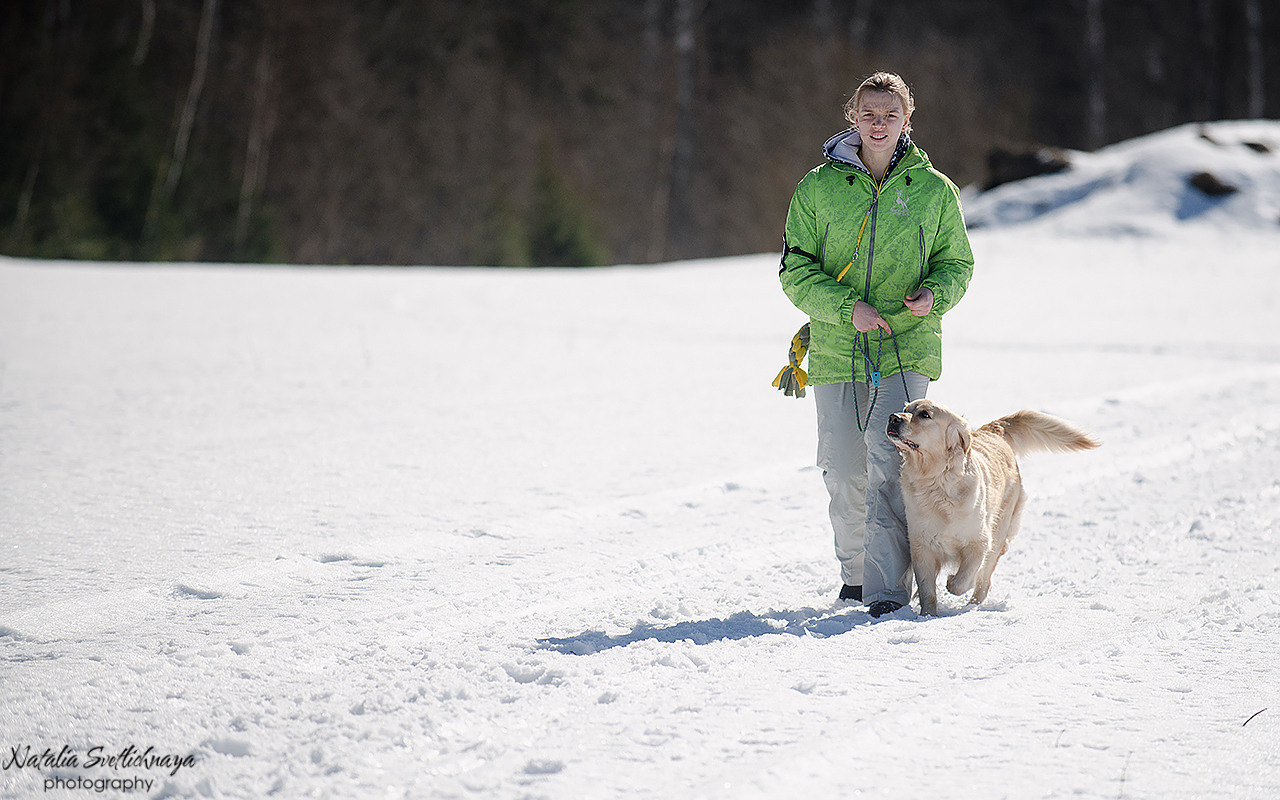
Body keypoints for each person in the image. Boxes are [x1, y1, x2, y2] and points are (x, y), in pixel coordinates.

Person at [778, 72, 974, 617]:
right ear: (853, 117)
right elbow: (795, 270)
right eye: (869, 114)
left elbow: (957, 263)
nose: (879, 124)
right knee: (843, 469)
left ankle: (886, 593)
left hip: (906, 345)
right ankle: (857, 576)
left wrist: (934, 295)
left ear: (907, 119)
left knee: (890, 462)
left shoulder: (934, 190)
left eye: (890, 115)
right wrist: (849, 309)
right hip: (837, 346)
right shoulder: (817, 188)